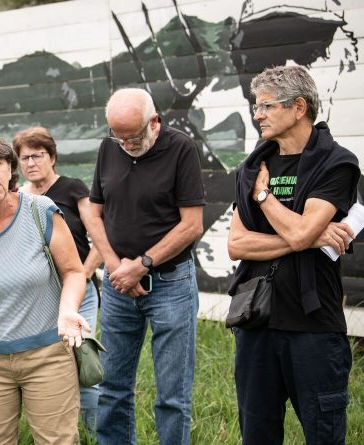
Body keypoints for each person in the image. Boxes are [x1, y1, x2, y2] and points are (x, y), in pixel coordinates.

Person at [227, 65, 358, 445]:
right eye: (256, 106)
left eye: (266, 106)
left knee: (323, 433)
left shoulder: (336, 163)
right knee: (257, 433)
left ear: (299, 107)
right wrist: (311, 238)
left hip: (312, 326)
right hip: (256, 322)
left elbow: (301, 233)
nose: (257, 115)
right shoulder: (252, 166)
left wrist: (263, 197)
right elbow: (237, 245)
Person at [0, 130, 90, 445]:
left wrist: (67, 311)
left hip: (48, 354)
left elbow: (74, 271)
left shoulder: (40, 210)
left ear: (10, 167)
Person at [89, 88, 205, 444]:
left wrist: (141, 265)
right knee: (111, 386)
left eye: (133, 138)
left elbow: (191, 225)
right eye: (118, 137)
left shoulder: (181, 148)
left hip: (170, 284)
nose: (125, 145)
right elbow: (93, 213)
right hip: (118, 285)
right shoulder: (109, 147)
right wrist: (115, 266)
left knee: (172, 394)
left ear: (154, 122)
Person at [13, 126, 103, 438]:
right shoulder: (18, 197)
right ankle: (57, 432)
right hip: (38, 297)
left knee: (82, 361)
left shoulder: (72, 188)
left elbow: (100, 237)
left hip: (79, 294)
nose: (31, 163)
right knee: (45, 366)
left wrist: (84, 274)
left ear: (52, 157)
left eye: (37, 155)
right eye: (24, 158)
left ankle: (92, 435)